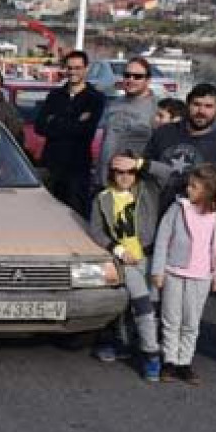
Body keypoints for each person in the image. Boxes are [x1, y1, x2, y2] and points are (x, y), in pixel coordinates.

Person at [116, 83, 216, 263]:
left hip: (191, 229)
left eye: (208, 106)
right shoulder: (165, 133)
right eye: (196, 104)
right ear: (188, 105)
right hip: (151, 219)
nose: (201, 111)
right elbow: (142, 172)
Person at [151, 163, 216, 385]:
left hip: (201, 276)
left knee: (191, 322)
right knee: (170, 319)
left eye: (194, 186)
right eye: (189, 185)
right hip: (174, 272)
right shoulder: (178, 208)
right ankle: (169, 361)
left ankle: (184, 363)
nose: (188, 189)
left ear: (208, 190)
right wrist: (158, 270)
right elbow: (162, 238)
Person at [87, 150, 161, 379]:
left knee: (154, 308)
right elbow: (96, 230)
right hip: (126, 262)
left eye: (130, 171)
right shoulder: (103, 198)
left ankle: (135, 345)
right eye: (119, 172)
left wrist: (140, 162)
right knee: (142, 306)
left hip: (151, 258)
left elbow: (170, 173)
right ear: (112, 173)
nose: (125, 176)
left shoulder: (148, 191)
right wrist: (117, 250)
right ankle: (152, 356)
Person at [33, 50, 105, 216]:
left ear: (86, 69)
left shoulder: (95, 98)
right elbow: (39, 127)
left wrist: (55, 121)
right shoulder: (55, 95)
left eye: (77, 68)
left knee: (75, 216)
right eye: (69, 68)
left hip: (77, 168)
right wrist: (75, 121)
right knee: (47, 214)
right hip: (51, 166)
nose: (72, 72)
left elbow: (86, 131)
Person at [95, 56, 156, 186]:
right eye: (127, 75)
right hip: (104, 180)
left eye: (137, 76)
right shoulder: (114, 104)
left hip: (133, 185)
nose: (131, 80)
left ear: (148, 80)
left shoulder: (156, 109)